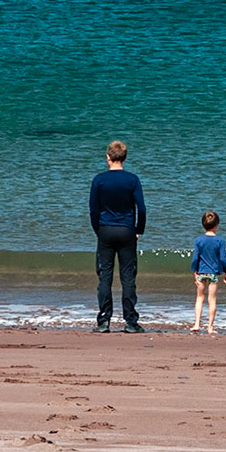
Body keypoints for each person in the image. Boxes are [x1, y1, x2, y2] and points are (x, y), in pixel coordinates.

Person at [89, 140, 146, 333]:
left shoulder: (99, 180)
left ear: (108, 157)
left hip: (105, 229)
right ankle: (130, 321)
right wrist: (139, 229)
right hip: (126, 230)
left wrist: (98, 230)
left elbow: (93, 210)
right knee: (128, 277)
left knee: (105, 276)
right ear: (125, 158)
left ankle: (104, 320)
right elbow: (142, 208)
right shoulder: (132, 180)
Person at [190, 210, 226, 334]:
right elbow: (223, 258)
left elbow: (195, 258)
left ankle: (197, 323)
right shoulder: (220, 241)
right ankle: (210, 327)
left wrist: (195, 271)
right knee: (212, 300)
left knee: (199, 298)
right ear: (217, 225)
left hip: (201, 272)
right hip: (213, 274)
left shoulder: (199, 240)